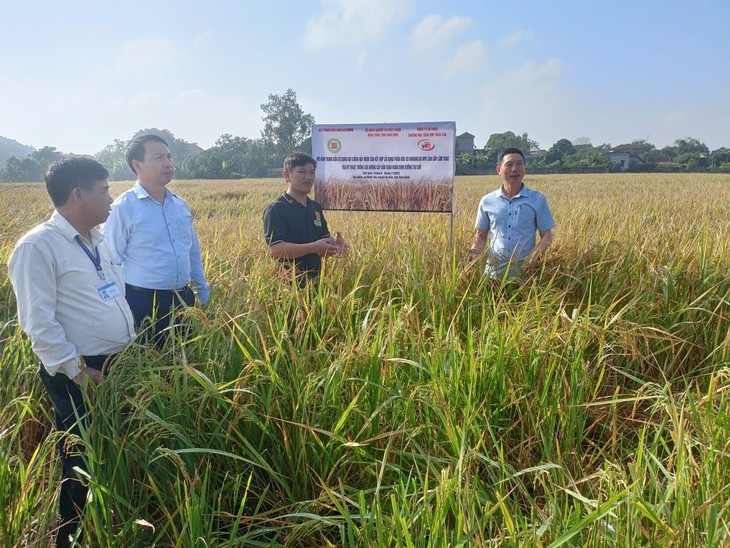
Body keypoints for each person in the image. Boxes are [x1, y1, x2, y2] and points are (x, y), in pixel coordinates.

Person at [8, 155, 136, 547]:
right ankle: (72, 536)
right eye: (104, 191)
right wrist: (79, 371)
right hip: (79, 371)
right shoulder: (38, 247)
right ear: (78, 194)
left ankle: (112, 521)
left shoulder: (97, 240)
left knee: (113, 447)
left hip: (116, 363)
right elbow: (38, 324)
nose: (112, 198)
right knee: (80, 456)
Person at [103, 135, 209, 345]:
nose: (168, 163)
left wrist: (202, 289)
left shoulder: (180, 205)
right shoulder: (123, 207)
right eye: (159, 157)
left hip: (183, 299)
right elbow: (110, 261)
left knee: (186, 361)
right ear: (137, 165)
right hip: (143, 302)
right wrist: (116, 309)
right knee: (151, 365)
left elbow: (191, 252)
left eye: (169, 157)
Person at [467, 147, 555, 280]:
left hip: (524, 276)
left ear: (524, 168)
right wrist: (474, 255)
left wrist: (532, 261)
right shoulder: (487, 201)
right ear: (499, 170)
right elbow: (480, 235)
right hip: (493, 275)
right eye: (509, 164)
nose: (514, 169)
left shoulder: (538, 199)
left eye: (519, 164)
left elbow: (547, 236)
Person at [263, 152, 349, 284]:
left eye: (312, 172)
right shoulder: (277, 209)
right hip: (288, 287)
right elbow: (276, 249)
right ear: (287, 175)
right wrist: (313, 247)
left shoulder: (315, 207)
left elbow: (322, 241)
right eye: (302, 172)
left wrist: (335, 245)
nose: (308, 177)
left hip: (317, 283)